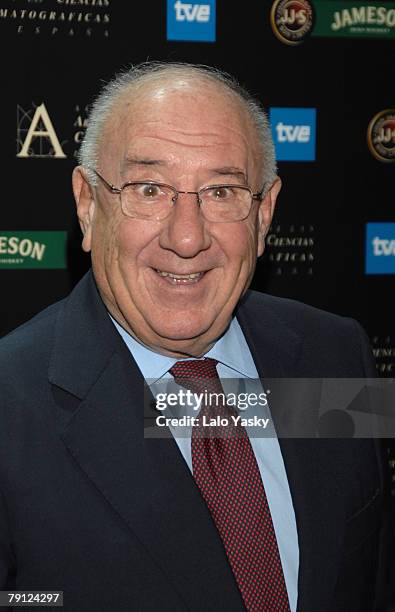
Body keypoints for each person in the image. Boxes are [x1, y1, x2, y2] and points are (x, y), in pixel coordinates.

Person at [0, 61, 392, 611]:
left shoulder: (336, 355)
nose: (187, 236)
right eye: (150, 188)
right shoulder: (10, 405)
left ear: (264, 215)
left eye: (222, 191)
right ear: (88, 206)